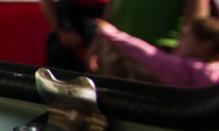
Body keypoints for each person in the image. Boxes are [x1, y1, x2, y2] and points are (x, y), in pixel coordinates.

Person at [89, 17, 219, 87]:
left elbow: (149, 55)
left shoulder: (189, 69)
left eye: (185, 37)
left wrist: (112, 33)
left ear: (205, 47)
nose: (179, 41)